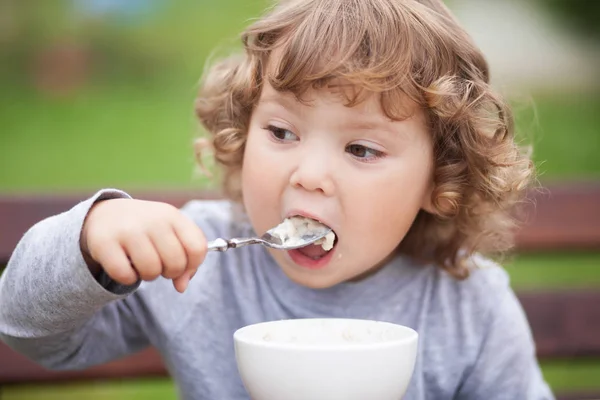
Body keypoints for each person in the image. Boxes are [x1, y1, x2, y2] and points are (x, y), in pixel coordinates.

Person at [0, 0, 554, 398]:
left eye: (361, 148)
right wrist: (89, 239)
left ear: (442, 180)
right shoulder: (194, 267)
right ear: (243, 134)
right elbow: (31, 333)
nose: (309, 175)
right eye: (282, 133)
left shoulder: (470, 308)